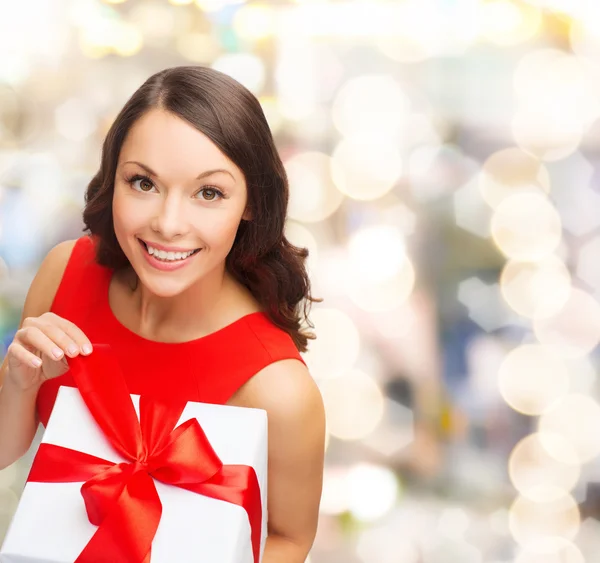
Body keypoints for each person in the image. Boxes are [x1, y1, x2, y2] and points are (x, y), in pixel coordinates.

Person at [0, 66, 326, 562]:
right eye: (143, 182)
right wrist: (18, 383)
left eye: (209, 193)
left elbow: (290, 538)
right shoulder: (65, 271)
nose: (168, 224)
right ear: (114, 179)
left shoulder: (277, 388)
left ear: (252, 204)